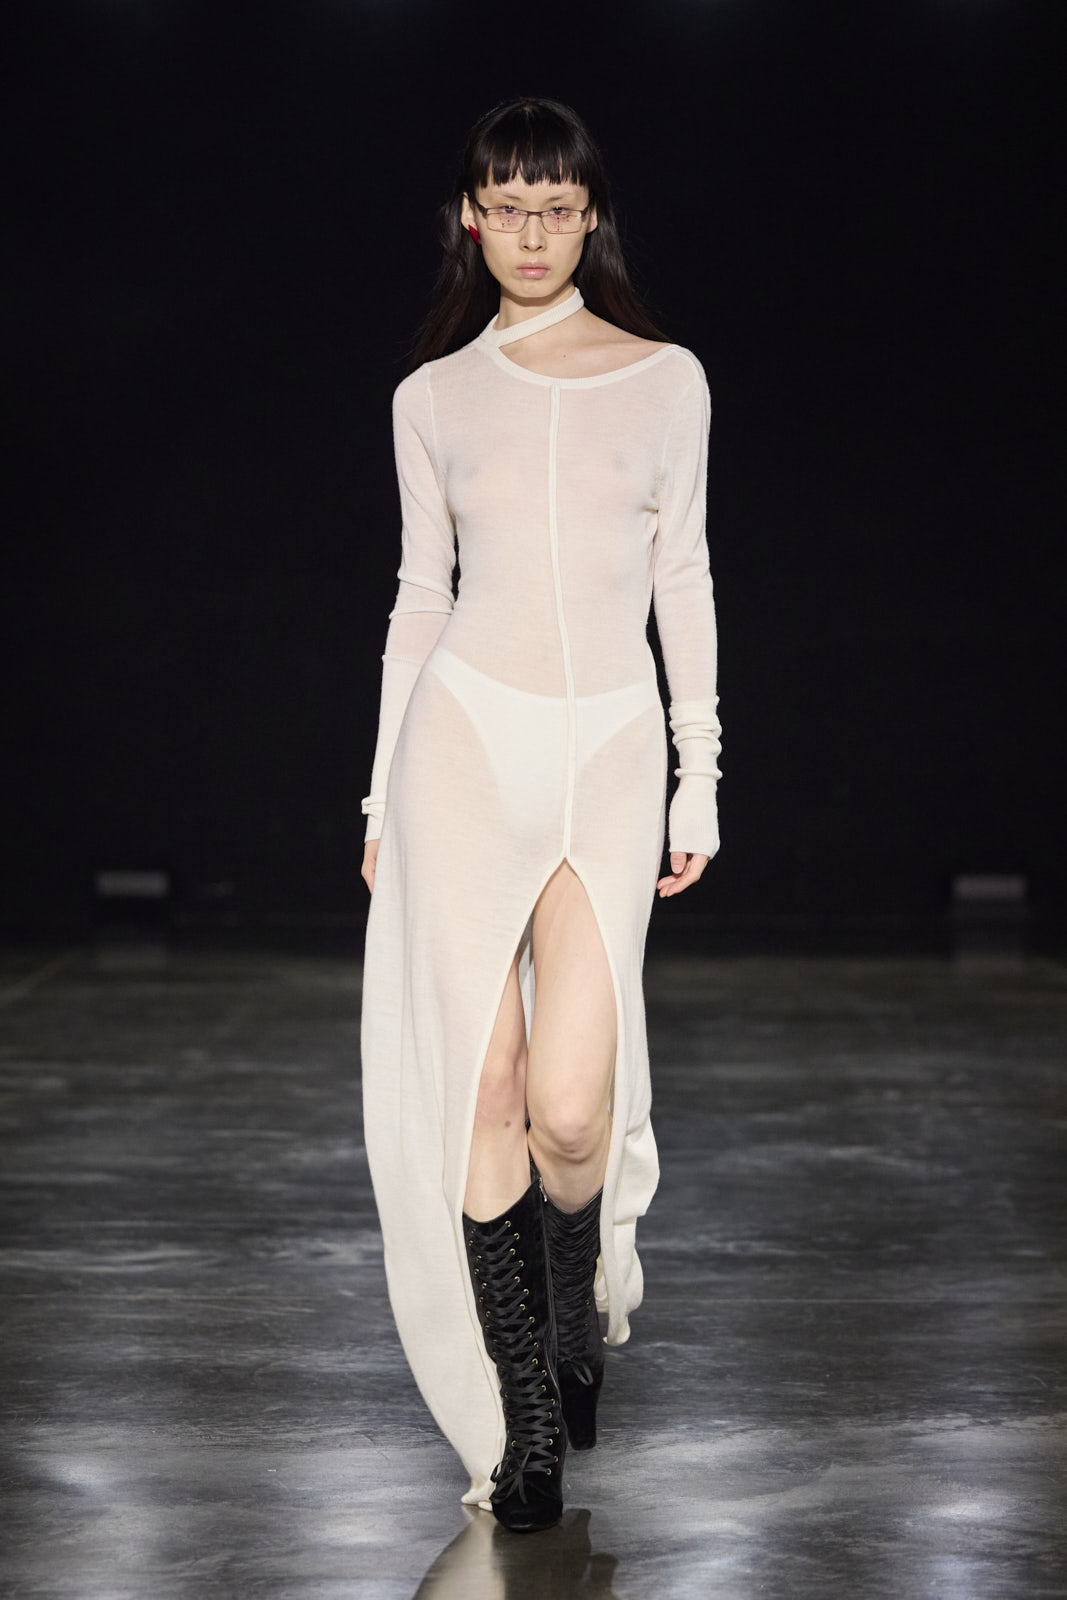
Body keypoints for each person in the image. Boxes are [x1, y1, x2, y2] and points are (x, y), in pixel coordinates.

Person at [359, 96, 722, 1534]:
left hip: (610, 754)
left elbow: (683, 579)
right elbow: (419, 600)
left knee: (574, 1112)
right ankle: (524, 1428)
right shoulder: (432, 399)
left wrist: (700, 773)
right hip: (463, 743)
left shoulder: (667, 380)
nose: (530, 232)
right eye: (505, 206)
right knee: (486, 1089)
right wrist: (379, 794)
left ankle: (576, 1329)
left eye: (555, 208)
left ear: (590, 219)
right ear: (470, 217)